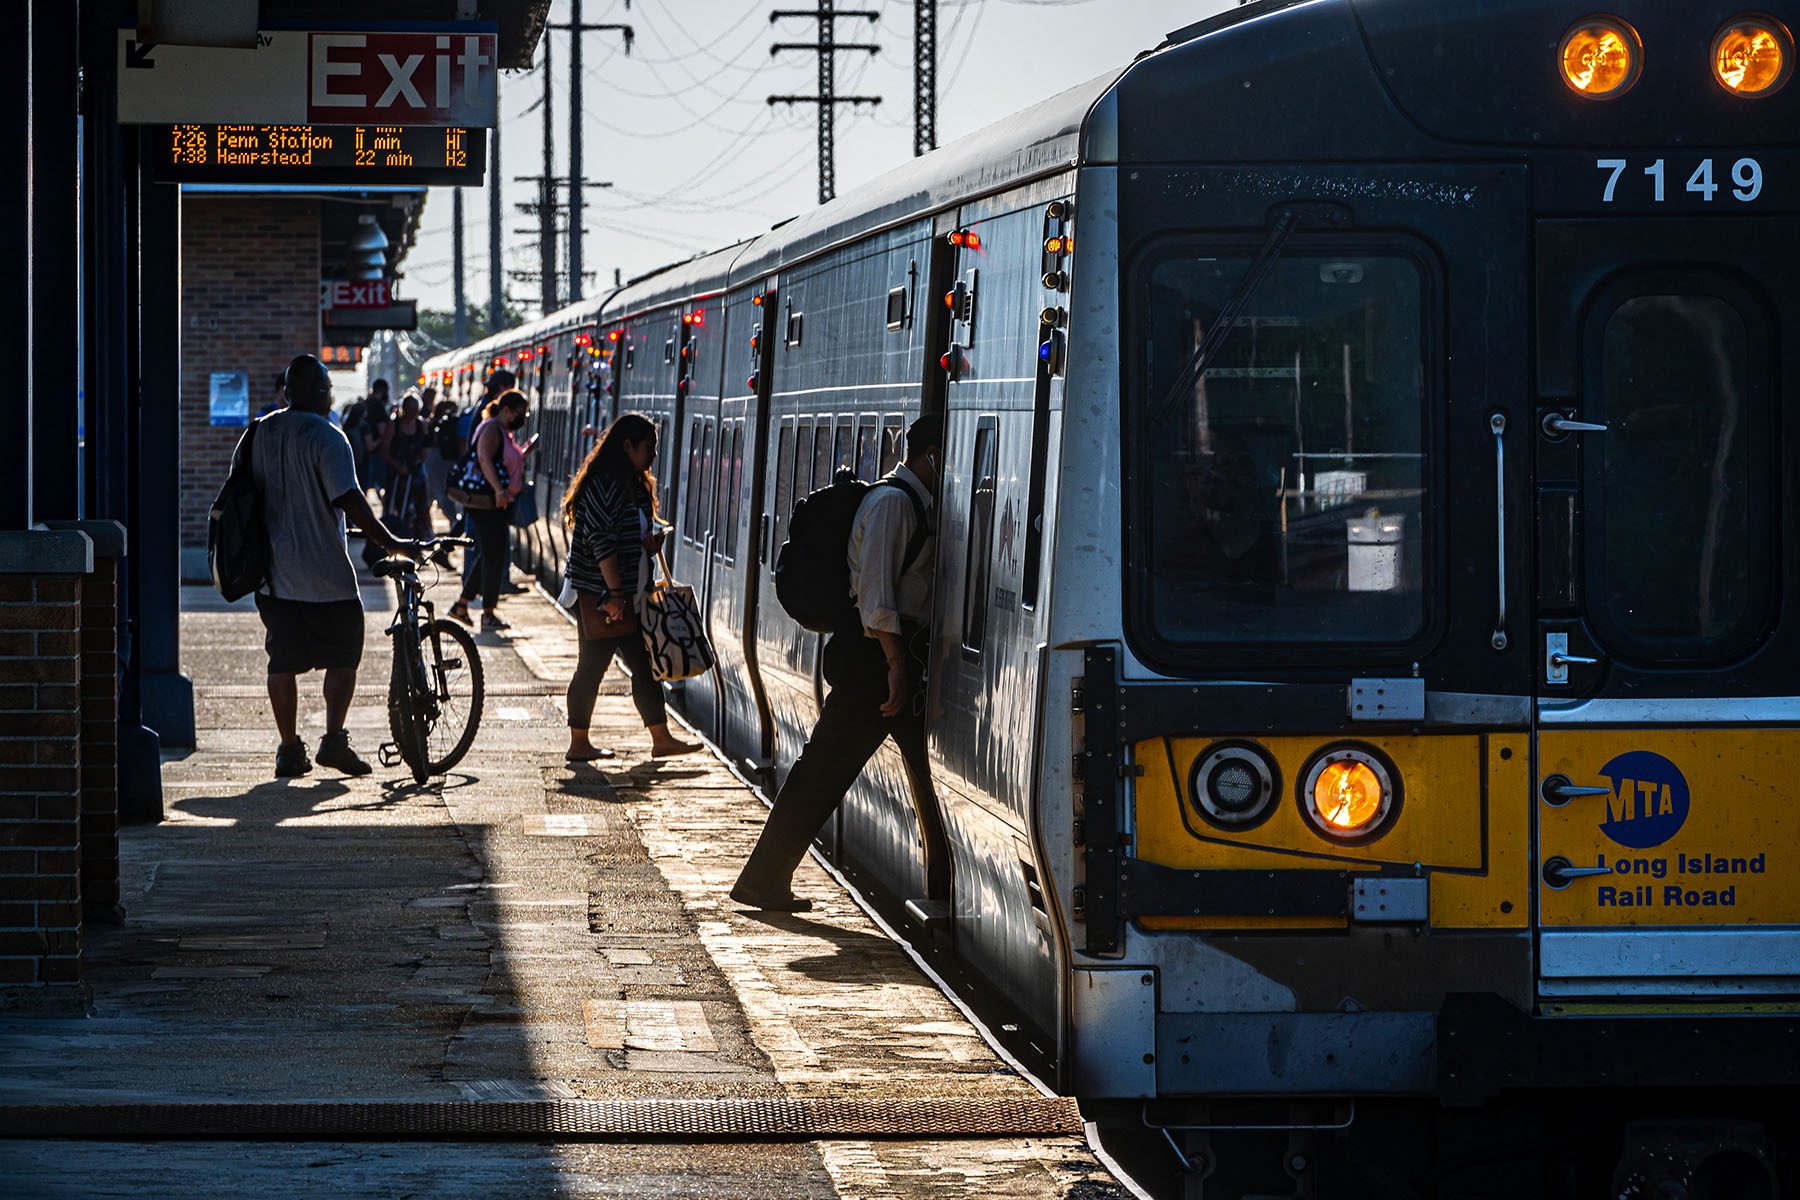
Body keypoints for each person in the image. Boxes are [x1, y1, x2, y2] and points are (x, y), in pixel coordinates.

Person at [732, 413, 944, 911]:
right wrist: (895, 664)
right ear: (931, 455)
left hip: (887, 657)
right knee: (823, 770)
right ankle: (763, 879)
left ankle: (941, 882)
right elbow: (875, 599)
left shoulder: (906, 501)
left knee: (893, 768)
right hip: (873, 659)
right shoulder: (894, 503)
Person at [247, 354, 414, 778]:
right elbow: (350, 500)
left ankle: (288, 749)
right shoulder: (328, 437)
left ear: (286, 393)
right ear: (323, 395)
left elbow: (240, 494)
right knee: (344, 655)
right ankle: (334, 741)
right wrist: (389, 540)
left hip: (273, 576)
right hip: (326, 578)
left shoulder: (259, 433)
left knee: (281, 661)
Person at [560, 414, 700, 763]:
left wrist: (648, 544)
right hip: (602, 595)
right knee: (592, 667)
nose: (653, 456)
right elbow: (600, 543)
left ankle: (661, 737)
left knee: (644, 663)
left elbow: (624, 534)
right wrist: (615, 595)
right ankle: (579, 743)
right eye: (648, 448)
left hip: (629, 594)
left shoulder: (633, 483)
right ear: (627, 446)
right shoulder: (606, 483)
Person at [447, 388, 529, 633]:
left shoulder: (501, 429)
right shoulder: (492, 428)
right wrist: (499, 490)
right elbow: (484, 459)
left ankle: (462, 606)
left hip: (494, 503)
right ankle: (487, 614)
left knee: (489, 555)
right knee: (493, 557)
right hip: (488, 503)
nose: (521, 418)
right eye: (519, 413)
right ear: (506, 410)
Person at [378, 390, 430, 539]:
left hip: (415, 472)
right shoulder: (394, 425)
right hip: (397, 473)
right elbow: (384, 450)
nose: (412, 414)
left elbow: (425, 448)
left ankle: (421, 534)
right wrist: (397, 466)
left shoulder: (421, 425)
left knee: (421, 506)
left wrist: (419, 460)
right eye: (410, 410)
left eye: (415, 410)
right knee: (395, 505)